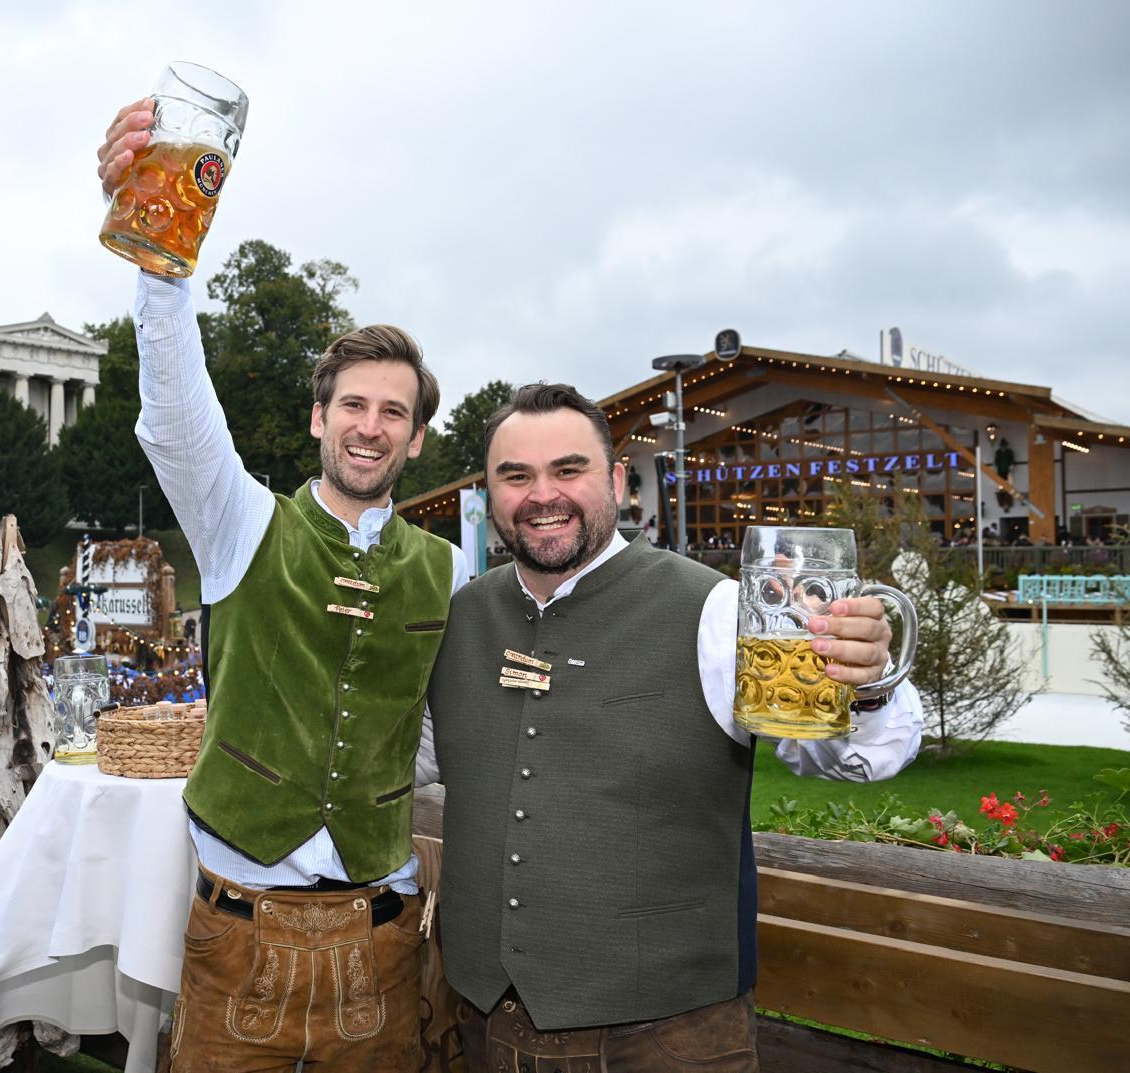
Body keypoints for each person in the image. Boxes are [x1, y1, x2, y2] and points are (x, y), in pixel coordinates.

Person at [98, 98, 467, 1073]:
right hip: (239, 939)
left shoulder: (448, 569)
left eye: (394, 412)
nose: (370, 425)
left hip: (382, 941)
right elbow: (175, 419)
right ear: (318, 417)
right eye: (353, 404)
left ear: (416, 439)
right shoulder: (241, 524)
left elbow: (445, 735)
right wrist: (162, 265)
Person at [426, 384, 923, 1072]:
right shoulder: (461, 615)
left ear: (617, 482)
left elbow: (854, 757)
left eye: (568, 469)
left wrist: (865, 678)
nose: (543, 495)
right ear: (490, 492)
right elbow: (413, 755)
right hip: (483, 1027)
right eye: (516, 475)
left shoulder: (716, 610)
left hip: (665, 1041)